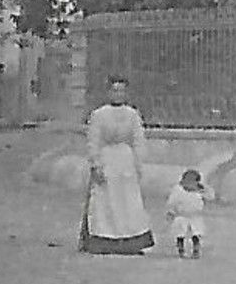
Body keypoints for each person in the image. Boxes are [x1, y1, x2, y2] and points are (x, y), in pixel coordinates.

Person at [79, 76, 154, 255]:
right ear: (108, 92)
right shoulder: (99, 114)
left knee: (128, 201)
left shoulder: (132, 114)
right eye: (114, 90)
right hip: (107, 160)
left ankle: (131, 241)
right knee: (106, 201)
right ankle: (104, 239)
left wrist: (138, 163)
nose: (118, 94)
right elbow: (93, 140)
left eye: (121, 91)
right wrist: (96, 164)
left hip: (126, 161)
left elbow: (138, 140)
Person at [165, 168, 207, 259]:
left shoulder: (199, 192)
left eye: (193, 180)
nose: (190, 183)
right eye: (187, 180)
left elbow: (207, 198)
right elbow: (172, 202)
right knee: (180, 234)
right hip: (181, 216)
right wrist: (171, 212)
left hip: (195, 217)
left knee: (196, 233)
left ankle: (196, 249)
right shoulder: (178, 190)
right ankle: (181, 249)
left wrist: (203, 194)